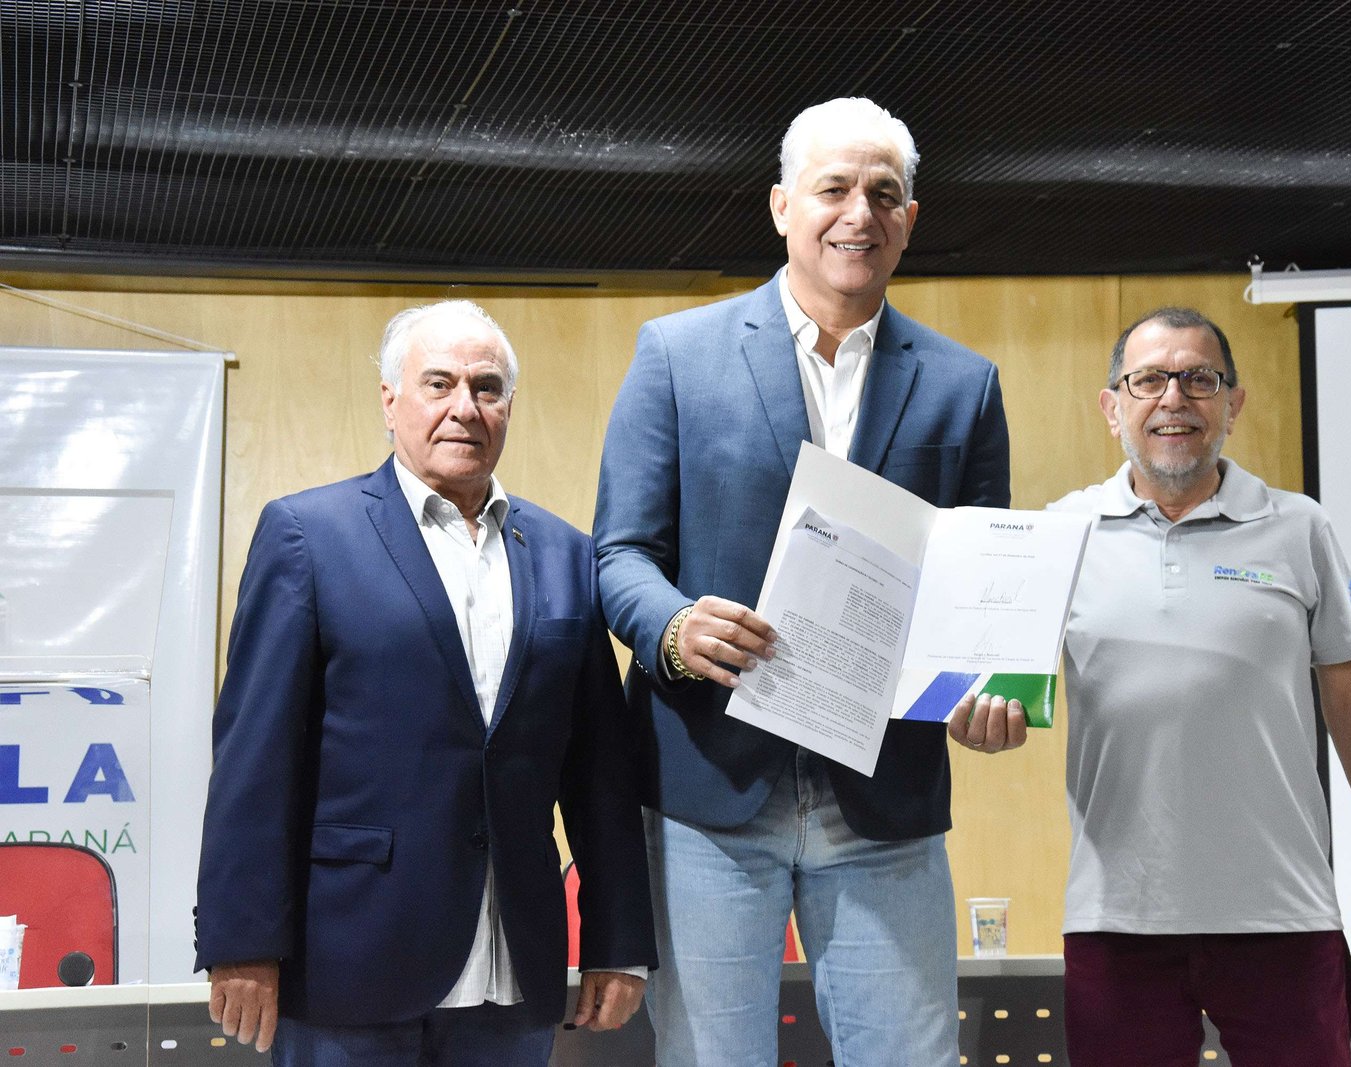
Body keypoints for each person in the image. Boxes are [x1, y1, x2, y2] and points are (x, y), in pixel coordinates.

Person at [593, 97, 1021, 1067]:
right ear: (783, 205)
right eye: (833, 189)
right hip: (707, 792)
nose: (858, 214)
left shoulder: (965, 385)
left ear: (910, 219)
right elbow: (618, 554)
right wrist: (674, 628)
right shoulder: (677, 355)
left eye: (884, 194)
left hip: (885, 799)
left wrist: (980, 690)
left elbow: (980, 593)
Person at [194, 300, 655, 1065]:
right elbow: (254, 758)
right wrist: (241, 939)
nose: (464, 407)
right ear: (389, 399)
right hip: (348, 967)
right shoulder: (308, 536)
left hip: (514, 977)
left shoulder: (569, 555)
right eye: (438, 383)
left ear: (509, 406)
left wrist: (619, 938)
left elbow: (598, 770)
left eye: (487, 387)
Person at [1050, 307, 1351, 1067]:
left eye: (1199, 379)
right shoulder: (1059, 534)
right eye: (1148, 380)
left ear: (1234, 403)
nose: (1173, 399)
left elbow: (1350, 699)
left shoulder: (1299, 528)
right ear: (1112, 407)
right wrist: (977, 717)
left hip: (1282, 914)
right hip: (1118, 920)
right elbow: (996, 684)